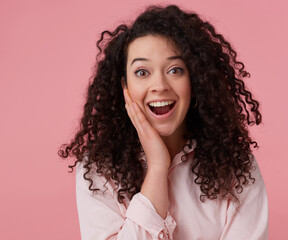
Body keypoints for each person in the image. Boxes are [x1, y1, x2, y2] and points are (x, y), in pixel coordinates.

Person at [58, 4, 268, 240]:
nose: (160, 85)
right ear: (124, 87)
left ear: (195, 82)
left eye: (175, 70)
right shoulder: (97, 171)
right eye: (142, 72)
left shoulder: (237, 166)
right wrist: (157, 167)